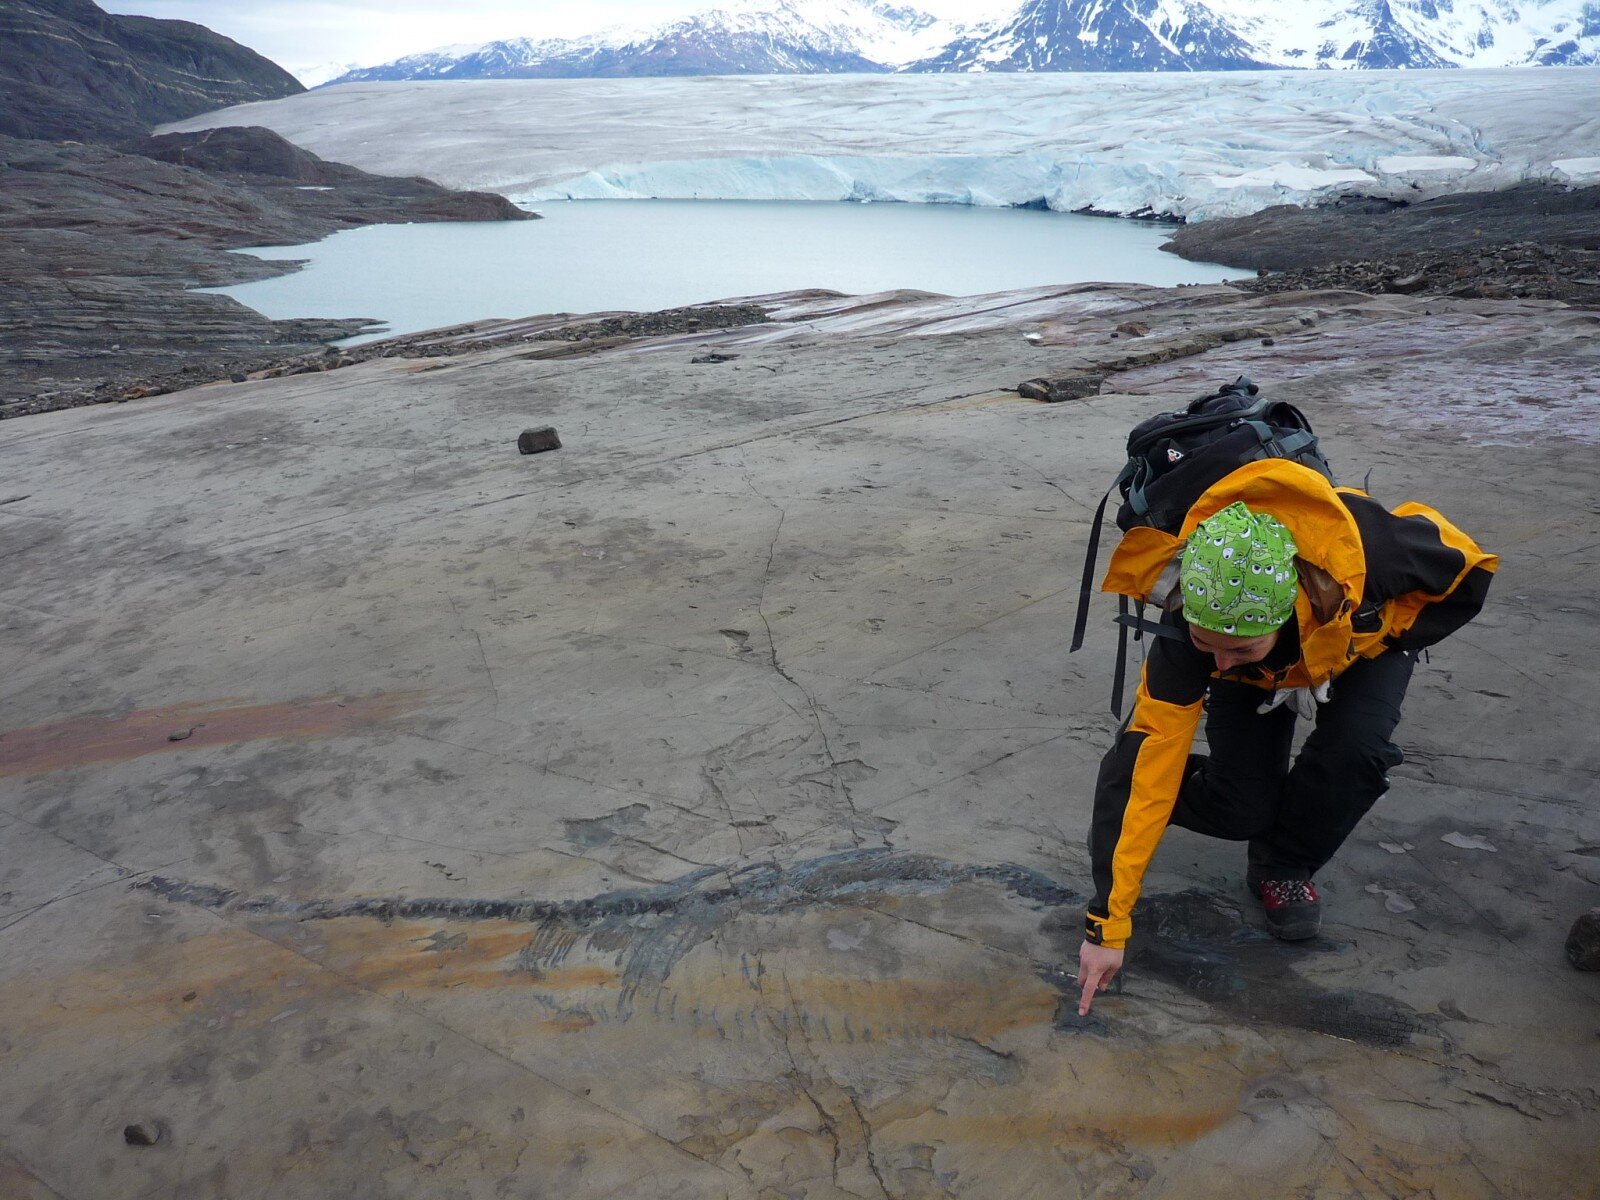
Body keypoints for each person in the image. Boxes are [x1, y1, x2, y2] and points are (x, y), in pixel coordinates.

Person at [1076, 458, 1497, 1016]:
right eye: (1207, 644)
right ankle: (1171, 794)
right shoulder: (1193, 633)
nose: (1220, 662)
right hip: (1271, 656)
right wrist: (1107, 926)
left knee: (1358, 751)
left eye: (1239, 647)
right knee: (1228, 803)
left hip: (1358, 634)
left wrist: (1387, 637)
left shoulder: (1383, 553)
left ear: (1286, 612)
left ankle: (1283, 863)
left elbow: (1471, 567)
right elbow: (1158, 742)